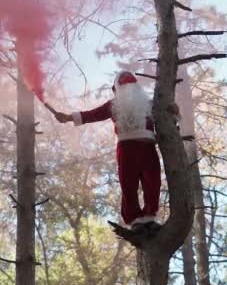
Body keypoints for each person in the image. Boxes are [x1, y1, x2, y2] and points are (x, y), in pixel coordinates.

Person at [54, 71, 178, 232]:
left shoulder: (149, 104)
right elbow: (92, 115)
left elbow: (167, 117)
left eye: (131, 86)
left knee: (153, 182)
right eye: (124, 86)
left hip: (148, 147)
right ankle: (135, 221)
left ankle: (149, 217)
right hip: (126, 149)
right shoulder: (112, 105)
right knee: (128, 183)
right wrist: (68, 117)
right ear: (117, 89)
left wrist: (174, 111)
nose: (128, 89)